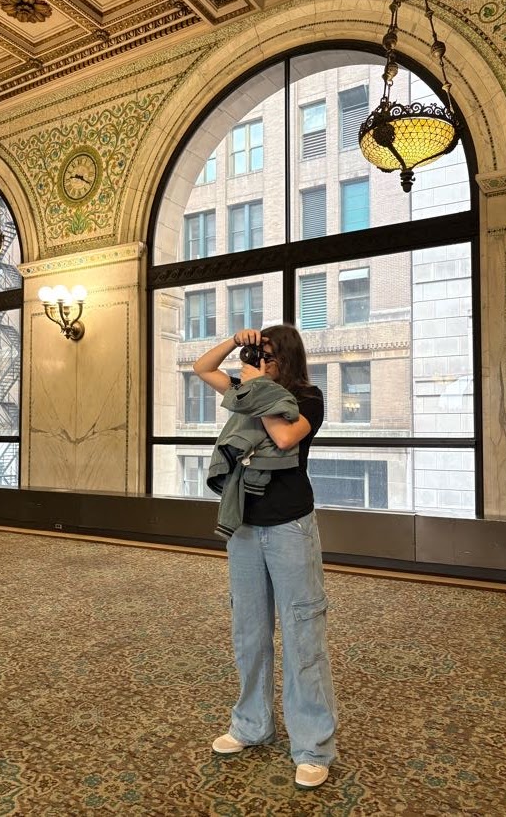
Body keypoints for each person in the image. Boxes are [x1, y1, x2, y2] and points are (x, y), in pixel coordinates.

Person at [193, 324, 337, 790]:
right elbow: (202, 367)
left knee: (301, 632)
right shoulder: (248, 388)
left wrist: (257, 387)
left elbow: (284, 438)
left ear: (288, 358)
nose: (262, 361)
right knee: (249, 631)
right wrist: (236, 343)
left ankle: (312, 746)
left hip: (291, 525)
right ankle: (251, 725)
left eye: (270, 355)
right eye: (260, 354)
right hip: (245, 526)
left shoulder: (307, 398)